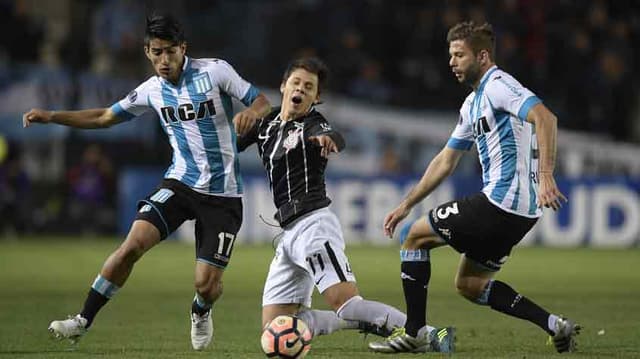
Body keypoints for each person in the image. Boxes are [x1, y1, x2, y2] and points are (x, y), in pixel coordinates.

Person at [22, 14, 271, 351]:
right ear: (147, 52)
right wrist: (52, 116)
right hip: (179, 183)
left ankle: (201, 310)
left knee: (206, 285)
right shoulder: (151, 90)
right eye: (157, 52)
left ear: (183, 48)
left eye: (171, 51)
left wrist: (252, 114)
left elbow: (261, 101)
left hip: (222, 194)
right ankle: (82, 320)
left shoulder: (215, 71)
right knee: (131, 245)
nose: (164, 60)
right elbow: (105, 117)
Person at [369, 21, 580, 354]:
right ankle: (555, 325)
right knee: (470, 285)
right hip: (522, 214)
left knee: (413, 237)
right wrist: (407, 202)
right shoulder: (472, 104)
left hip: (500, 202)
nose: (451, 62)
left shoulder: (498, 85)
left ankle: (416, 332)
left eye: (459, 55)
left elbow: (545, 118)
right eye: (450, 55)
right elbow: (446, 161)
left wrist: (547, 174)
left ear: (482, 56)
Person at [237, 57, 454, 352]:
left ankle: (431, 334)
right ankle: (355, 322)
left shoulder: (312, 122)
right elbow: (225, 146)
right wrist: (242, 118)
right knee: (276, 326)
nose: (301, 89)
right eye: (296, 83)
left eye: (309, 87)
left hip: (313, 225)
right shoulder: (266, 125)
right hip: (287, 234)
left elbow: (331, 134)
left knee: (347, 303)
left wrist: (328, 140)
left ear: (316, 97)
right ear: (283, 86)